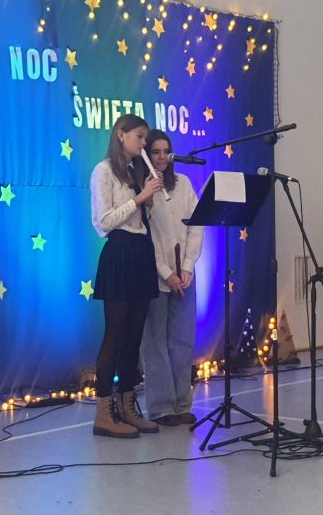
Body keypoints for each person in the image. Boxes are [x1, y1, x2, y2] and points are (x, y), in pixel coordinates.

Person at [89, 114, 164, 438]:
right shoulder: (103, 171)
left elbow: (141, 217)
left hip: (141, 252)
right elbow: (103, 222)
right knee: (116, 335)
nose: (144, 143)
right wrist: (139, 198)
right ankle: (104, 412)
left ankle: (128, 405)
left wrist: (149, 200)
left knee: (135, 337)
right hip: (119, 253)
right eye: (139, 136)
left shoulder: (137, 171)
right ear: (121, 135)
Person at [139, 129, 204, 426]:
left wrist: (187, 266)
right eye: (156, 152)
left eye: (166, 151)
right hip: (156, 278)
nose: (162, 157)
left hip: (184, 276)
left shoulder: (184, 184)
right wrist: (166, 273)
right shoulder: (144, 190)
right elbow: (146, 236)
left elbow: (196, 226)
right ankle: (162, 407)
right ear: (146, 155)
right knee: (155, 343)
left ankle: (181, 403)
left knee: (182, 340)